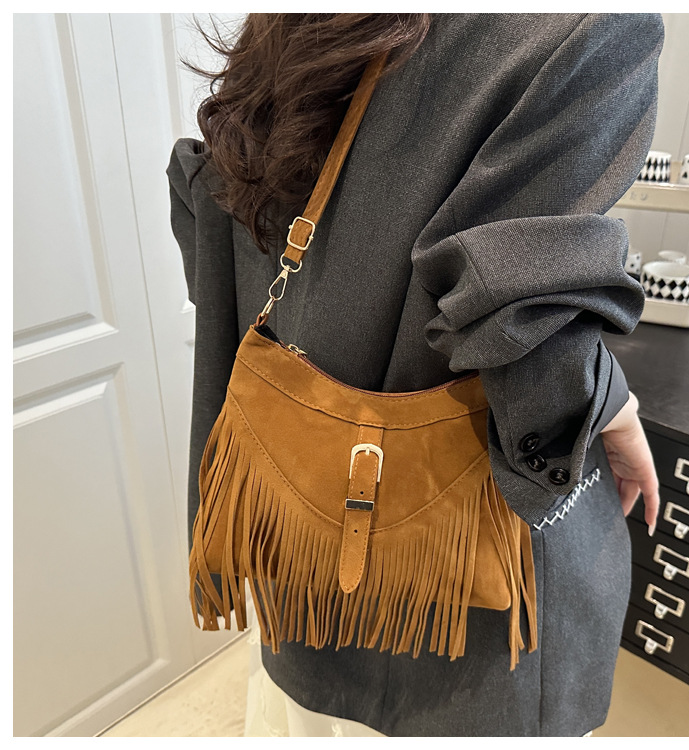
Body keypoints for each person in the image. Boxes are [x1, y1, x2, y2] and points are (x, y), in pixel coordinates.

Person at [167, 12, 663, 737]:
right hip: (471, 635)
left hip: (304, 568)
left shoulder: (301, 24)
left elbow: (219, 239)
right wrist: (612, 409)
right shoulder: (584, 27)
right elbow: (528, 321)